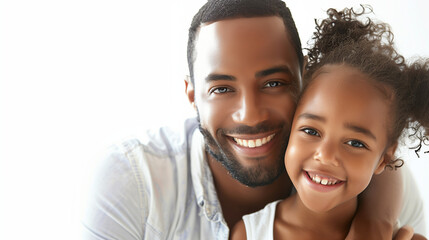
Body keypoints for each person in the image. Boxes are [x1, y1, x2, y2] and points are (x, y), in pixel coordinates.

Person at [81, 1, 426, 239]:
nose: (250, 114)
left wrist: (374, 223)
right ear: (191, 95)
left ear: (304, 77)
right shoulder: (132, 182)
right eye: (221, 88)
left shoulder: (378, 183)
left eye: (274, 83)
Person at [229, 6, 428, 240]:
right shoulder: (248, 234)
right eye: (311, 131)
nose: (325, 155)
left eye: (355, 143)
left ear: (384, 159)